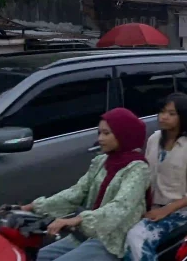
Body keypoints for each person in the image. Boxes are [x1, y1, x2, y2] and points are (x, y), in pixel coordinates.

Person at [25, 108, 150, 261]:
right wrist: (33, 207)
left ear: (123, 135)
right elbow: (77, 192)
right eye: (99, 133)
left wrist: (77, 220)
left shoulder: (138, 168)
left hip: (113, 240)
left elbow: (120, 207)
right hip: (88, 234)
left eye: (106, 133)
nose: (100, 138)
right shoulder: (102, 161)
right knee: (34, 257)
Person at [124, 93, 187, 261]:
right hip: (149, 206)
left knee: (136, 238)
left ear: (184, 117)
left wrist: (165, 211)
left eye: (171, 113)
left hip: (178, 212)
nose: (163, 117)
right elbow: (145, 175)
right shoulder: (154, 139)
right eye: (162, 111)